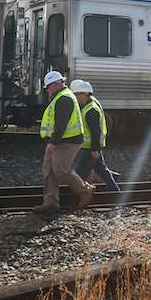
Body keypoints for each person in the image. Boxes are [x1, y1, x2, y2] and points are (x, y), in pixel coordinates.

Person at [33, 71, 93, 214]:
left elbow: (62, 123)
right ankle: (50, 203)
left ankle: (85, 190)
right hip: (60, 140)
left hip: (68, 141)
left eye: (48, 87)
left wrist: (53, 143)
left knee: (60, 169)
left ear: (56, 84)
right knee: (49, 171)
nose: (47, 90)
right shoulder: (59, 97)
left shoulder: (64, 98)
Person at [70, 79, 120, 193]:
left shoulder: (91, 110)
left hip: (90, 147)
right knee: (100, 168)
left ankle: (77, 191)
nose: (75, 98)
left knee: (79, 171)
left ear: (84, 94)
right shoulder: (89, 105)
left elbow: (95, 131)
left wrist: (94, 149)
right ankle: (113, 187)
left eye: (76, 95)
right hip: (90, 146)